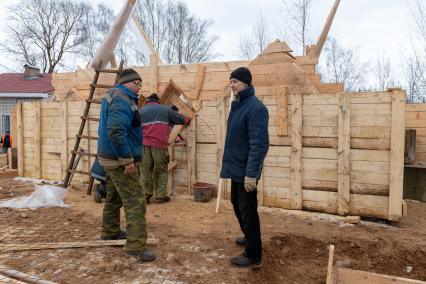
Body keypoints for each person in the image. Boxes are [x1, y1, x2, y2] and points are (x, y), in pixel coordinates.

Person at [97, 68, 155, 262]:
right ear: (125, 82)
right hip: (119, 160)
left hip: (109, 158)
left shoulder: (116, 96)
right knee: (136, 200)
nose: (139, 87)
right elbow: (116, 131)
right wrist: (127, 160)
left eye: (140, 83)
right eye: (135, 83)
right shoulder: (122, 99)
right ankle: (136, 247)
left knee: (113, 197)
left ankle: (110, 231)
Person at [220, 67, 269, 267]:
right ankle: (250, 237)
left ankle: (253, 254)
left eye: (236, 82)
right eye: (231, 81)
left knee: (248, 210)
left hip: (246, 170)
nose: (232, 85)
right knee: (236, 203)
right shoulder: (238, 105)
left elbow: (259, 144)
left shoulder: (255, 108)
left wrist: (251, 174)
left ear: (246, 83)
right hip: (237, 167)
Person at [140, 94, 191, 204]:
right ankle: (160, 195)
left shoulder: (141, 111)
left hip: (144, 145)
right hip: (159, 145)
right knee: (161, 169)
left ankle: (145, 195)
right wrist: (188, 119)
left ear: (148, 101)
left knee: (145, 170)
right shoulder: (165, 109)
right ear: (158, 101)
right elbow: (181, 119)